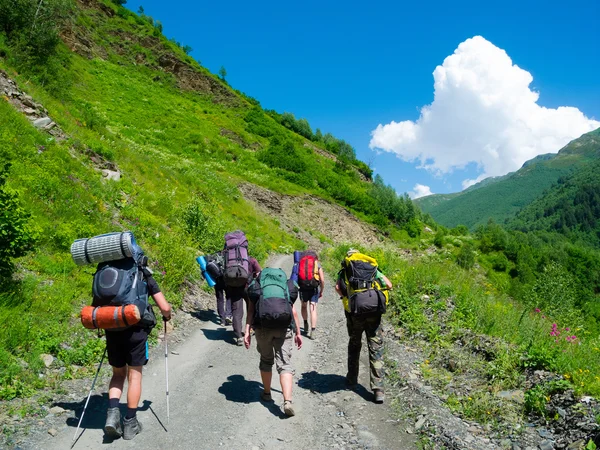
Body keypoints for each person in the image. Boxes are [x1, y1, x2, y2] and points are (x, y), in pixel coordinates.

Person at [104, 268, 172, 440]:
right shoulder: (140, 273)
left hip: (112, 328)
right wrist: (167, 316)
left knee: (118, 375)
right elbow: (164, 307)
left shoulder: (107, 272)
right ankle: (130, 423)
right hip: (136, 332)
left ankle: (112, 417)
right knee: (134, 377)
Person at [335, 249, 392, 404]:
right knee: (376, 348)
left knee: (354, 345)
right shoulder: (371, 267)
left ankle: (352, 378)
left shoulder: (346, 269)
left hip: (354, 313)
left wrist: (345, 297)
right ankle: (378, 389)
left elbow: (338, 288)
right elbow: (389, 284)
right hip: (374, 312)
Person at [244, 268, 302, 416]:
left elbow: (250, 312)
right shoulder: (285, 287)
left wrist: (246, 332)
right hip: (284, 328)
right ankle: (287, 401)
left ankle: (267, 393)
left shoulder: (256, 287)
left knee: (266, 360)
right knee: (285, 364)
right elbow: (293, 311)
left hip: (262, 328)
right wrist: (298, 333)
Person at [226, 256, 261, 345]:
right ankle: (250, 328)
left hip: (235, 288)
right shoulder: (251, 259)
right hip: (248, 287)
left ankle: (238, 336)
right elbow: (258, 272)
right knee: (251, 309)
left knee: (236, 312)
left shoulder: (231, 260)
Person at [297, 251, 325, 340]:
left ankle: (305, 324)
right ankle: (313, 331)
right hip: (314, 288)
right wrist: (321, 290)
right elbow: (322, 280)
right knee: (313, 308)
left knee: (303, 306)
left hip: (303, 287)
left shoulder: (300, 262)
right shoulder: (317, 263)